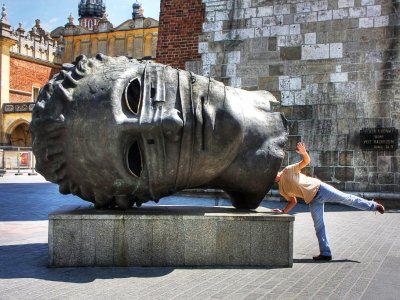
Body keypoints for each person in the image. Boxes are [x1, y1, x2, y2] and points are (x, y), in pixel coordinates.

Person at [273, 142, 385, 261]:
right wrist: (283, 211)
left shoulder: (287, 170)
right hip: (313, 201)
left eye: (272, 174)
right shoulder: (281, 190)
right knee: (319, 226)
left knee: (347, 199)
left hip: (321, 189)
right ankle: (326, 253)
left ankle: (374, 206)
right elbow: (293, 201)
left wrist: (304, 153)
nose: (272, 176)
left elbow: (306, 162)